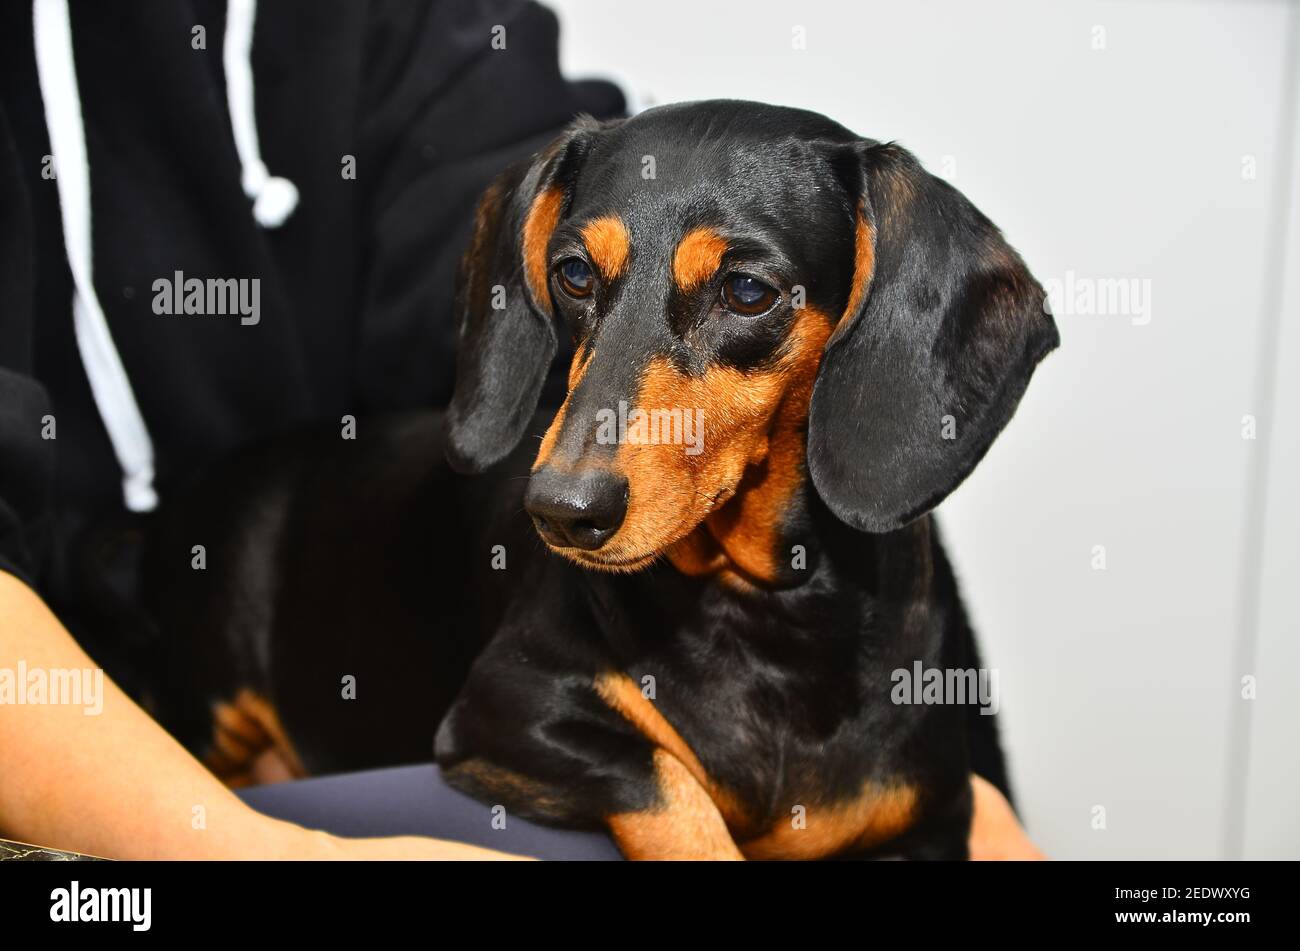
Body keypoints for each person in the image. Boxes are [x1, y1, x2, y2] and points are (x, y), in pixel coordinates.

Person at [0, 0, 1041, 860]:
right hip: (116, 686)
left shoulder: (432, 33)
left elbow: (881, 459)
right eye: (579, 278)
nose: (573, 478)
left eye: (744, 294)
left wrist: (970, 798)